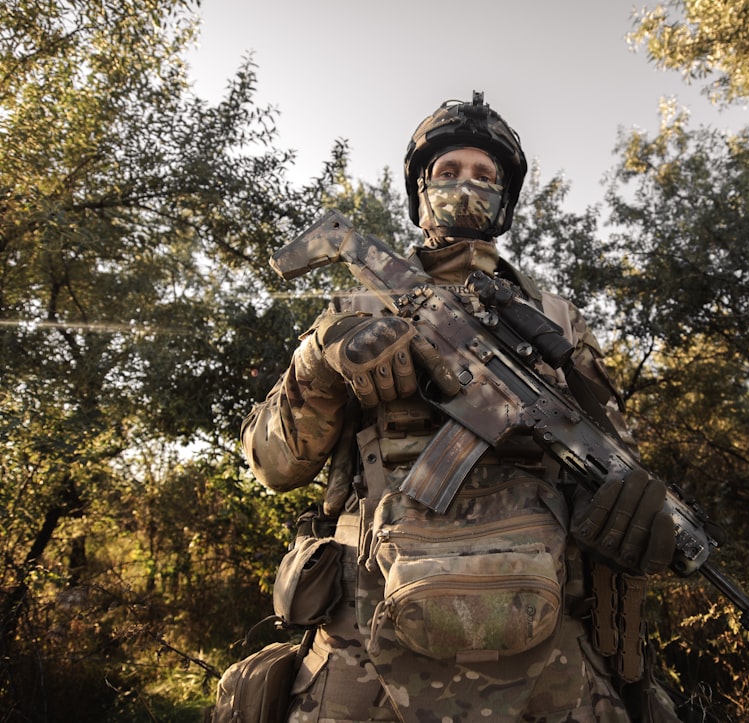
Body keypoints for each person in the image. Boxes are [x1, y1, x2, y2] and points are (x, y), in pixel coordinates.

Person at [241, 91, 682, 722]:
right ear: (420, 193)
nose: (465, 186)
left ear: (505, 200)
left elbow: (612, 460)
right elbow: (272, 464)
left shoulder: (554, 322)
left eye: (484, 175)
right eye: (447, 173)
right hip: (363, 659)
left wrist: (637, 517)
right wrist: (320, 361)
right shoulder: (356, 310)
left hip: (543, 656)